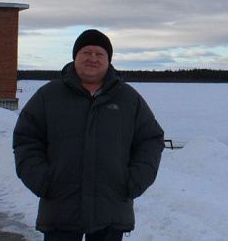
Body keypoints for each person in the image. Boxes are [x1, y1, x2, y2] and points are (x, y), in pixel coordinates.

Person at [13, 29, 165, 241]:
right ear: (75, 57)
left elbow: (150, 139)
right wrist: (42, 180)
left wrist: (134, 180)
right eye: (87, 52)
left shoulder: (128, 98)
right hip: (60, 208)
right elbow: (26, 138)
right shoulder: (48, 96)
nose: (92, 58)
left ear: (108, 60)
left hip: (111, 208)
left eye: (99, 54)